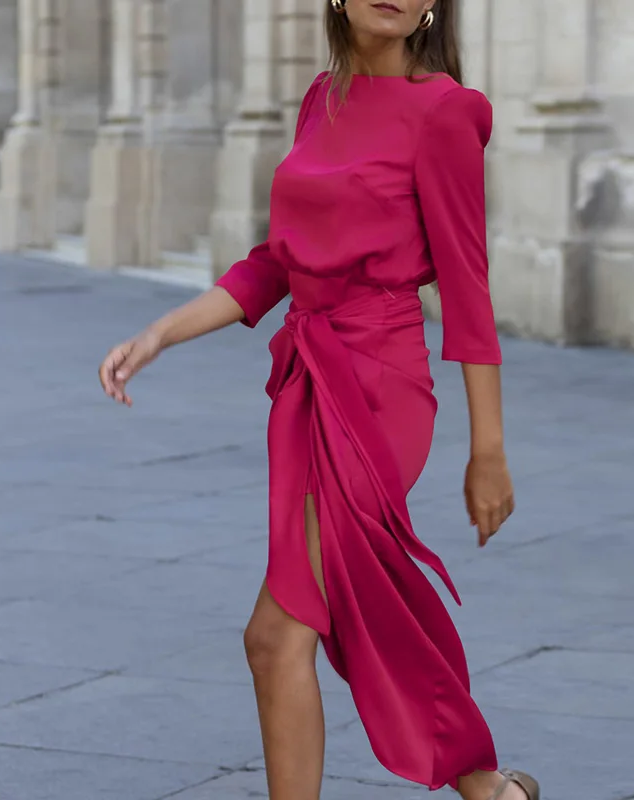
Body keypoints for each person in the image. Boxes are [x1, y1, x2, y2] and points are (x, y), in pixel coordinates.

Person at [98, 1, 540, 799]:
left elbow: (468, 290)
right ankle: (489, 790)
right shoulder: (319, 101)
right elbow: (276, 262)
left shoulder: (446, 112)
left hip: (380, 386)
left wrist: (489, 451)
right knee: (365, 599)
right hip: (308, 382)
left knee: (276, 635)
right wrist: (164, 332)